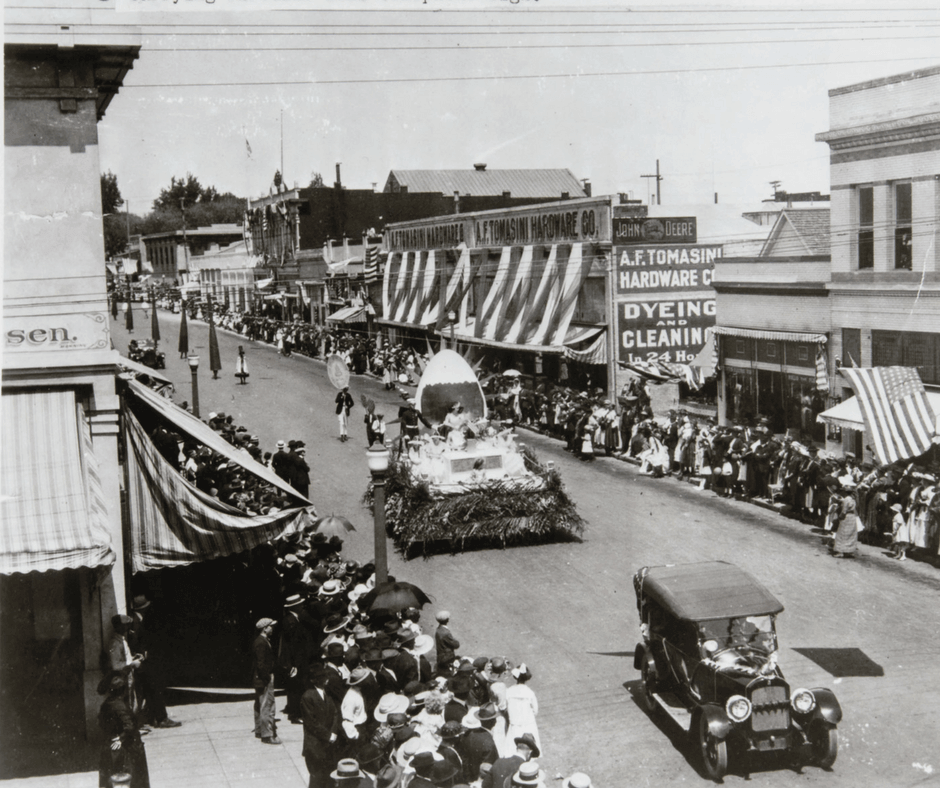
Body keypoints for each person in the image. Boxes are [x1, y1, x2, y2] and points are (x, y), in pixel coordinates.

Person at [127, 595, 181, 729]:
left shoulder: (139, 619)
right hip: (143, 662)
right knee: (155, 688)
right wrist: (140, 655)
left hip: (145, 661)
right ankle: (161, 718)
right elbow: (135, 641)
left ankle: (153, 718)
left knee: (150, 690)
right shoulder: (136, 621)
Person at [98, 674, 150, 788]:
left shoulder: (107, 704)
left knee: (111, 779)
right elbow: (129, 726)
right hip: (126, 749)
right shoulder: (119, 705)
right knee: (130, 779)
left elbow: (102, 724)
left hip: (111, 745)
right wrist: (121, 738)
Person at [302, 664, 342, 788]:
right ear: (315, 680)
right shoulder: (308, 697)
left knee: (328, 778)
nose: (327, 679)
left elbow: (335, 713)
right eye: (323, 677)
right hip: (315, 746)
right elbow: (311, 723)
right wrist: (328, 735)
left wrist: (333, 732)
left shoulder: (327, 694)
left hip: (328, 745)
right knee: (317, 779)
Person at [252, 617, 280, 744]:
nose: (272, 629)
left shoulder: (261, 641)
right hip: (264, 678)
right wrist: (267, 677)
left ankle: (259, 730)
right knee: (267, 705)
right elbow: (261, 664)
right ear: (264, 628)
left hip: (260, 678)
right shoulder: (261, 643)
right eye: (270, 626)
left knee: (260, 704)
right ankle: (267, 735)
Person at [505, 664, 539, 754]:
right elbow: (535, 710)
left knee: (512, 749)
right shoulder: (529, 692)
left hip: (514, 724)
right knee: (529, 748)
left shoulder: (509, 691)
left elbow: (505, 706)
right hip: (528, 724)